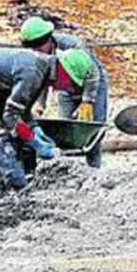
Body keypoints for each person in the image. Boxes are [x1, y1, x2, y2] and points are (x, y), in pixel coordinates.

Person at [0, 48, 93, 192]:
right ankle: (18, 190)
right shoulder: (33, 73)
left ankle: (0, 192)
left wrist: (35, 129)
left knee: (15, 139)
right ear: (63, 70)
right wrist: (34, 140)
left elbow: (22, 109)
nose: (68, 89)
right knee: (0, 139)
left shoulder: (43, 72)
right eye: (70, 83)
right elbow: (11, 116)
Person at [19, 16, 108, 168]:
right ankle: (66, 167)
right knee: (65, 129)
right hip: (65, 88)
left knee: (92, 128)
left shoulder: (74, 47)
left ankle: (94, 166)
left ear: (48, 40)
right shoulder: (37, 55)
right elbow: (41, 78)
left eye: (38, 48)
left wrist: (87, 100)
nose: (36, 52)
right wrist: (40, 104)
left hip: (92, 84)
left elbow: (92, 73)